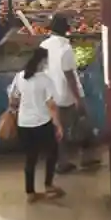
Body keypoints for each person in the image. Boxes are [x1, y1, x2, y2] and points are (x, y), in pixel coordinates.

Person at [8, 44, 65, 201]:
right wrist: (58, 125)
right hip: (42, 123)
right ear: (41, 62)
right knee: (52, 153)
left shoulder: (20, 76)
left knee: (30, 158)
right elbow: (51, 106)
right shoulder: (45, 80)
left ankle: (30, 193)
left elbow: (13, 98)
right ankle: (48, 184)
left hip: (24, 123)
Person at [41, 15, 97, 171]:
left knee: (59, 130)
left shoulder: (44, 44)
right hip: (66, 95)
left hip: (51, 93)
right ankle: (84, 159)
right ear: (66, 30)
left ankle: (62, 162)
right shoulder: (65, 49)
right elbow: (70, 76)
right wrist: (78, 99)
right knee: (82, 124)